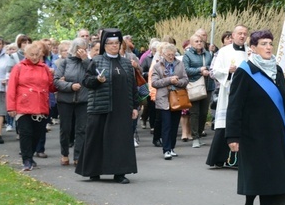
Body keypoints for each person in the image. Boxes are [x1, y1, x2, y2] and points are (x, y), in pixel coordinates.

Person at [226, 30, 285, 205]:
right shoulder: (245, 71)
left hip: (274, 133)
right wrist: (233, 136)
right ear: (253, 48)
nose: (268, 47)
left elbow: (284, 103)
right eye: (263, 43)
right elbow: (235, 105)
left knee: (271, 177)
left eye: (270, 44)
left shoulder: (278, 71)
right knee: (254, 176)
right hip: (252, 134)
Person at [75, 28, 139, 184]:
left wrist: (135, 107)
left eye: (116, 43)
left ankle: (120, 172)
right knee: (96, 139)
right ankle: (93, 171)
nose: (114, 46)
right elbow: (87, 82)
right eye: (110, 43)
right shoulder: (97, 61)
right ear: (104, 45)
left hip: (122, 108)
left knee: (120, 141)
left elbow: (132, 87)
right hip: (101, 106)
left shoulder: (125, 63)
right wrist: (98, 80)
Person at [6, 42, 56, 171]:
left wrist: (57, 79)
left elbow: (51, 87)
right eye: (31, 55)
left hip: (41, 106)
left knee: (37, 134)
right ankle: (26, 159)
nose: (34, 57)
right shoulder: (19, 68)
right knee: (26, 134)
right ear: (26, 55)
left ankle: (30, 156)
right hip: (23, 106)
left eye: (36, 55)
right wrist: (11, 107)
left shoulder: (44, 68)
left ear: (41, 55)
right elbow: (11, 88)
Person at [207, 25, 249, 168]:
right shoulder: (224, 51)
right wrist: (228, 71)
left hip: (246, 93)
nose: (242, 36)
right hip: (228, 91)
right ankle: (219, 158)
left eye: (245, 34)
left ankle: (240, 159)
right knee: (226, 124)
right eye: (239, 33)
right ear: (233, 35)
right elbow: (213, 71)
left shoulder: (250, 51)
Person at [54, 38, 90, 166]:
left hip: (83, 100)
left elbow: (94, 75)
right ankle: (64, 154)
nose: (82, 51)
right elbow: (57, 81)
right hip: (65, 100)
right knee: (65, 129)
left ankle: (78, 156)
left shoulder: (87, 62)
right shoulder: (65, 62)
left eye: (84, 48)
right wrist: (70, 86)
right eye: (80, 48)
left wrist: (86, 60)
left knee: (81, 129)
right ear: (74, 49)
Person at [151, 43, 188, 160]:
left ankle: (172, 148)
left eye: (173, 54)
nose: (171, 57)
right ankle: (166, 149)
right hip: (163, 99)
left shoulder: (180, 64)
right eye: (168, 55)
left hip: (177, 98)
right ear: (163, 54)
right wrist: (169, 80)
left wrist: (178, 82)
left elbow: (186, 79)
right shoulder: (158, 66)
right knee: (166, 125)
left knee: (174, 125)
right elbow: (154, 83)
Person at [183, 33, 214, 148]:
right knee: (194, 112)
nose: (199, 43)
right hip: (194, 86)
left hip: (208, 85)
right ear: (191, 43)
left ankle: (200, 134)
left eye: (201, 41)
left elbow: (212, 66)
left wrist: (210, 72)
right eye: (196, 41)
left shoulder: (208, 54)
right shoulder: (187, 55)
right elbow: (185, 70)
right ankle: (195, 137)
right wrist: (199, 70)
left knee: (204, 113)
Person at [0, 36, 16, 144]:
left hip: (1, 87)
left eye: (0, 44)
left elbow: (11, 71)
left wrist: (7, 79)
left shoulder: (7, 57)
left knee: (0, 111)